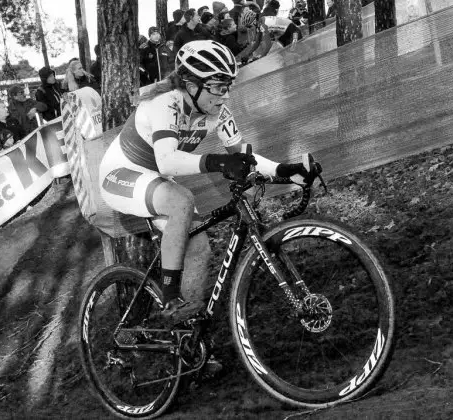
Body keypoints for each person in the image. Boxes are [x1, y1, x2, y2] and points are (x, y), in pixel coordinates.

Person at [97, 40, 310, 335]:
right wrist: (218, 163)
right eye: (217, 86)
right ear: (190, 84)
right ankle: (170, 296)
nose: (224, 95)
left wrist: (284, 170)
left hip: (156, 178)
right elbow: (168, 161)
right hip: (121, 175)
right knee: (181, 201)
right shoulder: (165, 103)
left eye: (227, 86)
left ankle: (187, 336)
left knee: (199, 247)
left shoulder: (218, 112)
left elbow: (244, 155)